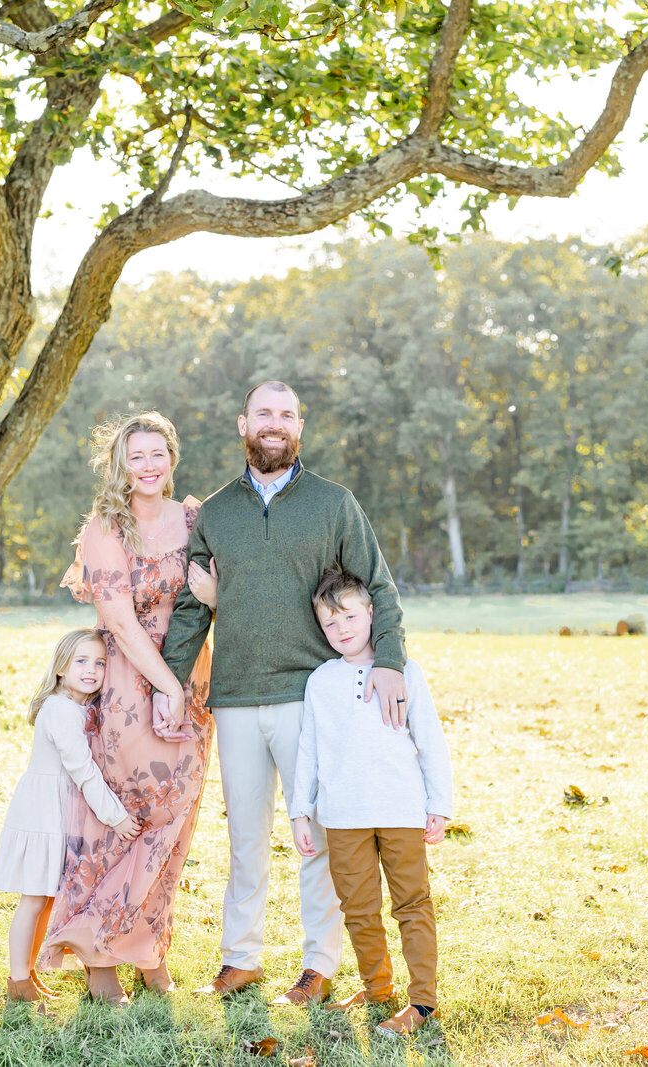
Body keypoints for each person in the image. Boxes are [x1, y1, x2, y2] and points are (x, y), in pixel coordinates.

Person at [160, 380, 410, 1007]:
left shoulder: (334, 505)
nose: (275, 423)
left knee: (316, 837)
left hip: (313, 697)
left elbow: (377, 587)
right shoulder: (215, 513)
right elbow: (191, 610)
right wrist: (165, 681)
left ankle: (317, 966)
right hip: (237, 697)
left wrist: (392, 664)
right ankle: (241, 960)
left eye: (287, 415)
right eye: (264, 413)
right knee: (245, 837)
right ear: (242, 422)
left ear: (301, 426)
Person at [40, 412, 215, 1006]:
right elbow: (117, 618)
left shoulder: (193, 519)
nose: (148, 466)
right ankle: (99, 955)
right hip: (129, 683)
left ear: (172, 457)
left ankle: (147, 946)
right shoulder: (104, 528)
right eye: (136, 456)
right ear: (121, 464)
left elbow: (215, 590)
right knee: (128, 814)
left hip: (193, 676)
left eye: (157, 453)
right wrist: (166, 685)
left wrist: (188, 671)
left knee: (177, 816)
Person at [290, 565, 451, 1036]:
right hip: (343, 816)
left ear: (371, 613)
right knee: (358, 908)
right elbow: (309, 750)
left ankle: (421, 1003)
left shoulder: (403, 672)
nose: (341, 630)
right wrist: (301, 810)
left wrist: (438, 804)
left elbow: (432, 741)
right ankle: (377, 989)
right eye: (330, 623)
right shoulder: (321, 681)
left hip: (401, 809)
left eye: (349, 618)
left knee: (411, 904)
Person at [0, 628, 143, 1003]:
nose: (91, 670)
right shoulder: (60, 710)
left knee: (45, 899)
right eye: (81, 661)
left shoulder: (76, 706)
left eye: (100, 663)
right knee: (33, 899)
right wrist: (116, 817)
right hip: (43, 813)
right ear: (61, 667)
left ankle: (26, 976)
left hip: (57, 812)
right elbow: (83, 769)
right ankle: (17, 980)